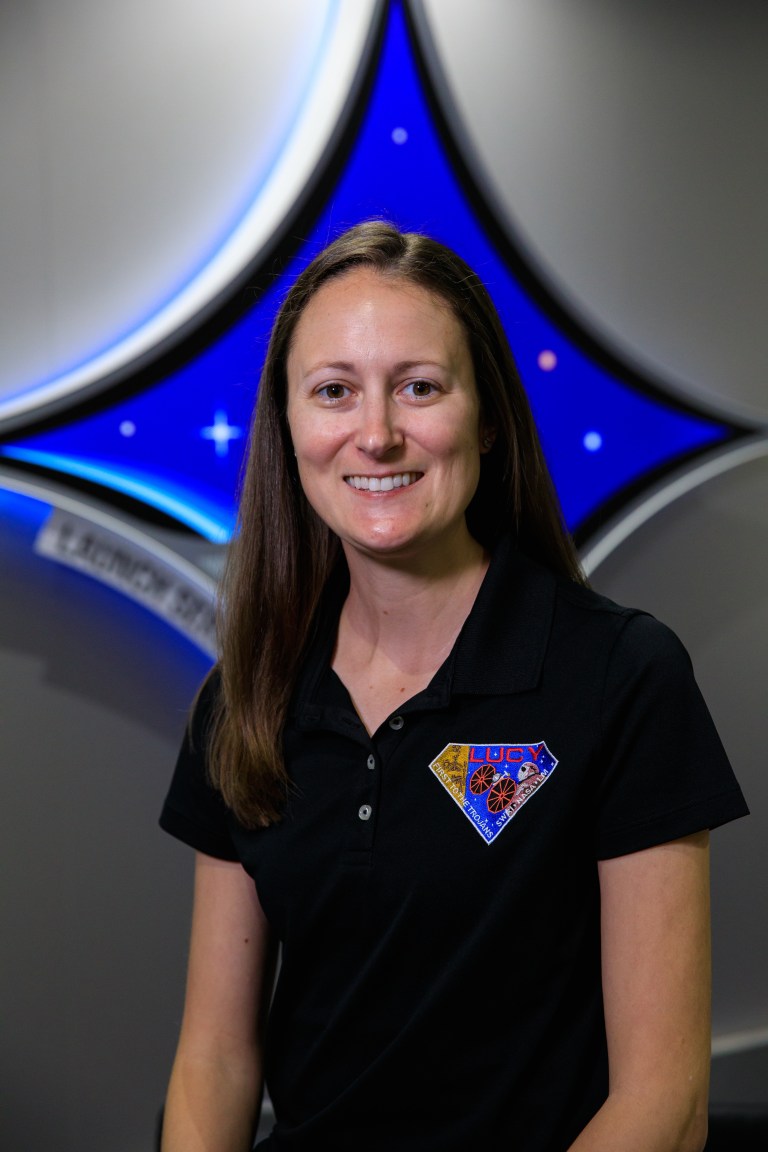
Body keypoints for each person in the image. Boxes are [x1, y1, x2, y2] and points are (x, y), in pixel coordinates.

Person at [158, 220, 748, 1152]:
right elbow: (215, 1063)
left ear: (489, 418)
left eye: (420, 388)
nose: (378, 434)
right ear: (290, 428)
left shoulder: (622, 676)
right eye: (334, 392)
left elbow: (662, 1107)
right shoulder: (248, 698)